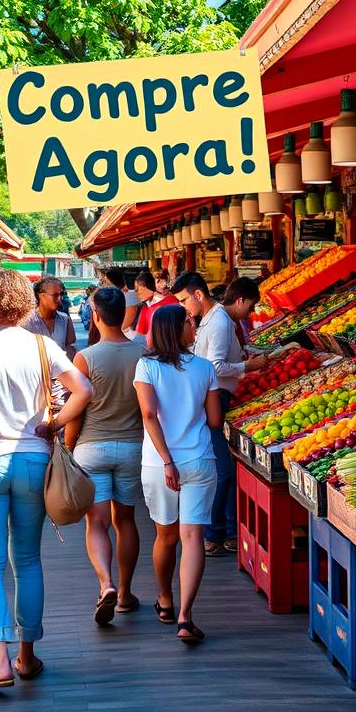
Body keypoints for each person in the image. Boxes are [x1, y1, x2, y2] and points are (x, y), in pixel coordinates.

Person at [0, 269, 92, 690]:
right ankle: (27, 656)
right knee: (27, 560)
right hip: (31, 460)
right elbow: (83, 391)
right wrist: (52, 424)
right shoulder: (43, 346)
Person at [134, 304, 221, 645]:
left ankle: (165, 601)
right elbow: (214, 421)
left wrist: (167, 460)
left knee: (165, 536)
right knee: (192, 538)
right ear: (176, 329)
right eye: (188, 321)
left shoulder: (146, 367)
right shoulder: (204, 368)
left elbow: (148, 415)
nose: (193, 324)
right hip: (199, 459)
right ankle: (186, 616)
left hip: (159, 464)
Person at [171, 272, 267, 557]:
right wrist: (249, 367)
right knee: (223, 470)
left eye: (184, 300)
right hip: (215, 398)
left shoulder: (217, 320)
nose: (184, 308)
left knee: (221, 467)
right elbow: (216, 367)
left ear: (198, 295)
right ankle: (215, 533)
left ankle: (221, 532)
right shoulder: (218, 321)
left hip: (215, 397)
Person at [66, 287, 144, 625]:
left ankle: (105, 583)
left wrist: (68, 448)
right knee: (125, 521)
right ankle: (125, 594)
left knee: (96, 522)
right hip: (132, 448)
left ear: (95, 316)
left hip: (91, 448)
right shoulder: (143, 353)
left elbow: (76, 412)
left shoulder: (86, 358)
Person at [21, 277, 76, 362]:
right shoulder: (26, 321)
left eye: (61, 294)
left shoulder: (65, 320)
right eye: (55, 295)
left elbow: (70, 348)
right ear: (41, 296)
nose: (59, 299)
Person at [134, 270, 178, 341]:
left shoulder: (174, 300)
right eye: (158, 282)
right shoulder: (147, 306)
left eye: (164, 281)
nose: (163, 285)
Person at [103, 267, 139, 335]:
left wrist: (118, 332)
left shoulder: (129, 295)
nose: (106, 284)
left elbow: (131, 314)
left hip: (131, 333)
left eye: (107, 282)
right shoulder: (125, 294)